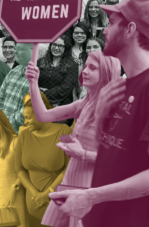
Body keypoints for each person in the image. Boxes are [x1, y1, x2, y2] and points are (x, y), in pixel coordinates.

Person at [48, 0, 149, 226]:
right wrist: (102, 124)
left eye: (112, 23)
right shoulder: (123, 87)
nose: (104, 30)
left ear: (130, 29)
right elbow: (123, 155)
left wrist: (91, 196)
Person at [25, 51, 120, 227]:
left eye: (92, 68)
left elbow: (117, 159)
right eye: (85, 66)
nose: (84, 71)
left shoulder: (114, 110)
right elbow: (43, 115)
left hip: (91, 183)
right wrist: (33, 83)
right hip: (70, 179)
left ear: (106, 73)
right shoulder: (83, 103)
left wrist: (83, 153)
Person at [16, 92, 70, 227]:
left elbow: (69, 169)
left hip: (56, 202)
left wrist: (47, 193)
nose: (25, 122)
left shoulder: (64, 132)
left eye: (28, 118)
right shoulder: (24, 135)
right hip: (32, 203)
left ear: (40, 114)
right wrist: (35, 193)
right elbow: (19, 169)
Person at [0, 42, 35, 133]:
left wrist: (7, 124)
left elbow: (29, 109)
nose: (16, 52)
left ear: (33, 51)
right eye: (16, 48)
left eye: (20, 49)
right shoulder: (14, 71)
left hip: (20, 133)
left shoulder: (38, 76)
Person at [36, 34, 79, 110]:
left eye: (60, 46)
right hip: (39, 104)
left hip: (61, 107)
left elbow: (65, 88)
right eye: (54, 44)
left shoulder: (72, 66)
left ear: (66, 48)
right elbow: (33, 82)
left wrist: (43, 94)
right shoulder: (40, 62)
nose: (56, 48)